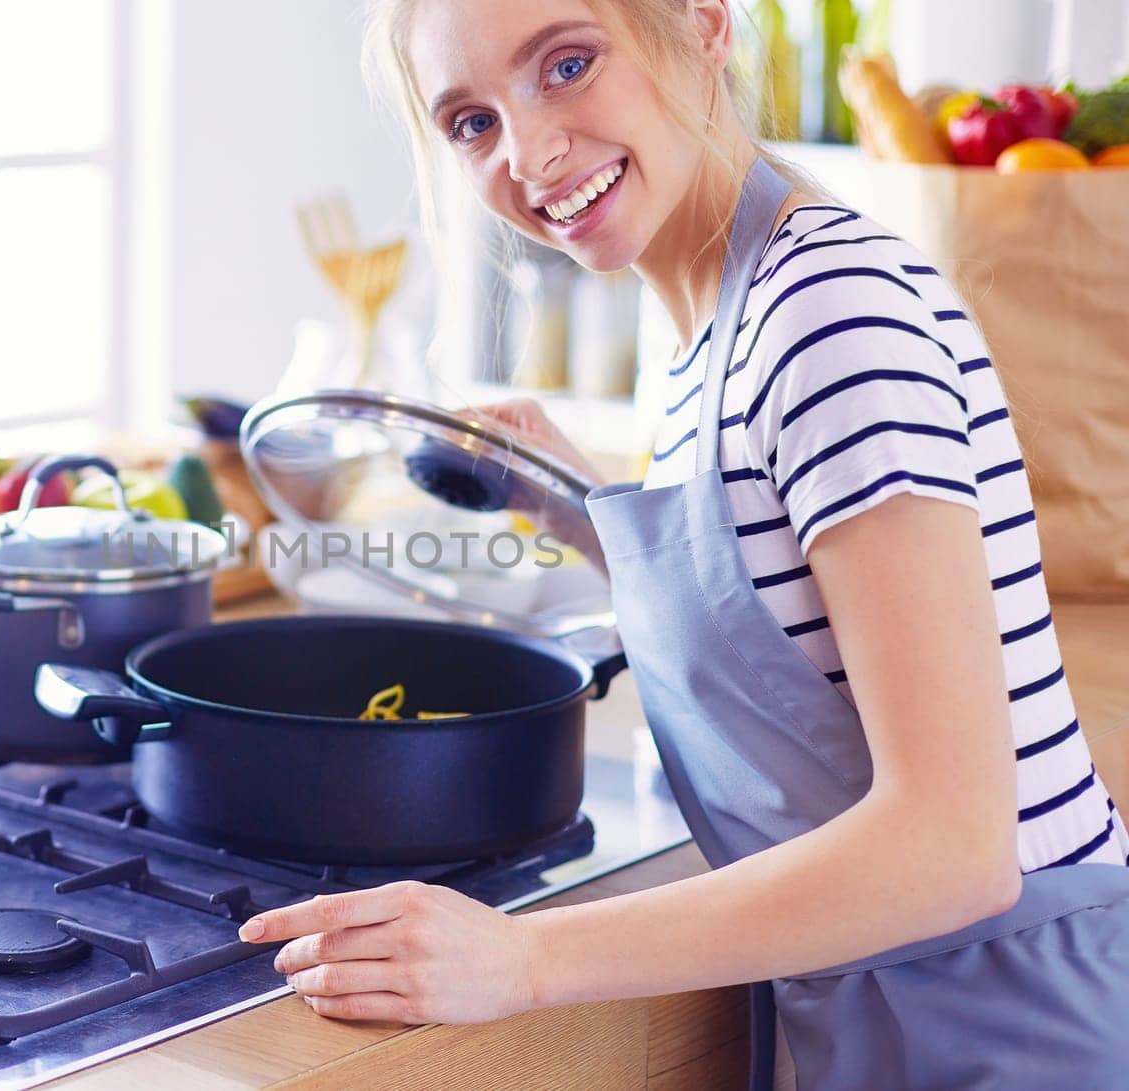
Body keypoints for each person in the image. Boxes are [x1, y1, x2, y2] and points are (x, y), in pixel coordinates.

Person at [238, 1, 1129, 1087]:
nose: (527, 152)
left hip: (1008, 1022)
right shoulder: (708, 317)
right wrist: (581, 507)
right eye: (471, 123)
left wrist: (521, 956)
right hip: (888, 1005)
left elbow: (952, 846)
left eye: (566, 64)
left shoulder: (829, 309)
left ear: (704, 27)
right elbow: (792, 623)